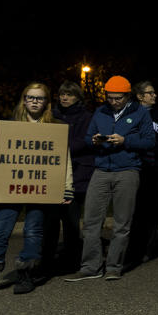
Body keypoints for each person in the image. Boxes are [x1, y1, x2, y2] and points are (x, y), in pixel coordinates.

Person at [0, 83, 73, 294]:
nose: (34, 101)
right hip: (12, 186)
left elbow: (63, 159)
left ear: (46, 103)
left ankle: (26, 272)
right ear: (24, 99)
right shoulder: (12, 126)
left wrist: (66, 187)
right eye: (30, 97)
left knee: (33, 231)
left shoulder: (54, 127)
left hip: (40, 188)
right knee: (0, 232)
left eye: (39, 98)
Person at [66, 76, 155, 282]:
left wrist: (126, 141)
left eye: (117, 98)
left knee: (121, 223)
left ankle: (114, 266)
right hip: (101, 170)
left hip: (127, 170)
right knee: (90, 221)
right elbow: (88, 138)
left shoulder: (139, 113)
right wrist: (95, 140)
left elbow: (149, 141)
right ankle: (90, 266)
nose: (113, 101)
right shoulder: (100, 111)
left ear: (127, 96)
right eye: (109, 97)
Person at [42, 81, 94, 276]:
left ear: (77, 97)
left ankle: (71, 259)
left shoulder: (86, 117)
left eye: (69, 95)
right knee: (50, 220)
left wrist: (58, 147)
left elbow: (85, 141)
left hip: (76, 174)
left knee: (71, 220)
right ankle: (47, 259)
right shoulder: (51, 115)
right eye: (62, 94)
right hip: (52, 174)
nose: (64, 97)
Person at [129, 80, 158, 264]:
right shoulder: (130, 114)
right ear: (139, 96)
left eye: (154, 92)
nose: (154, 95)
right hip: (136, 167)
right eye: (150, 93)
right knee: (135, 210)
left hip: (155, 168)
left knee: (153, 209)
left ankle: (148, 248)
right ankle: (132, 248)